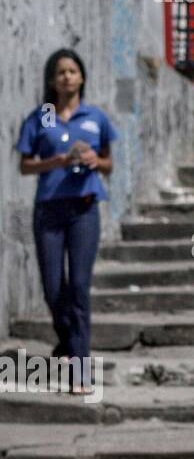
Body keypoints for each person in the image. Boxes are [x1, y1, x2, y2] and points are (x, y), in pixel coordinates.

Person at [15, 49, 119, 393]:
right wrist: (57, 161)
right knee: (52, 287)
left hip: (84, 209)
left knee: (78, 287)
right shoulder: (42, 118)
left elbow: (109, 164)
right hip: (49, 210)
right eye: (60, 72)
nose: (67, 77)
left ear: (82, 77)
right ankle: (67, 338)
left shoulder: (95, 117)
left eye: (73, 71)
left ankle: (80, 369)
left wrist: (94, 159)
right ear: (51, 80)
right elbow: (25, 165)